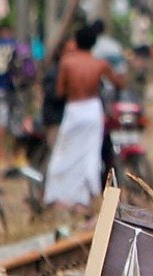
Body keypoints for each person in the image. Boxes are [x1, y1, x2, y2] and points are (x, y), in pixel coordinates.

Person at [44, 27, 125, 214]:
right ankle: (87, 198)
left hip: (74, 109)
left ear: (76, 42)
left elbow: (59, 91)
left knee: (64, 155)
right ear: (94, 43)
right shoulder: (99, 63)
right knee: (90, 155)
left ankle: (60, 197)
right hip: (92, 110)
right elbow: (118, 83)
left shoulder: (67, 62)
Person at [0, 23, 26, 169]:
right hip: (17, 89)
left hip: (0, 87)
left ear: (0, 32)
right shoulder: (17, 45)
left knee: (0, 120)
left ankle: (1, 154)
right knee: (16, 121)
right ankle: (15, 153)